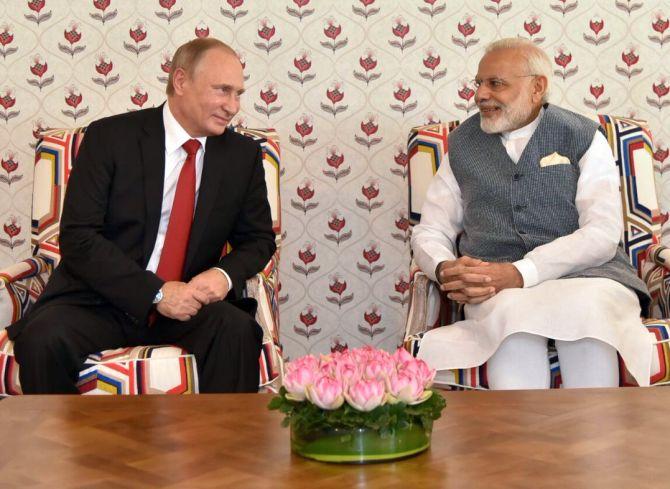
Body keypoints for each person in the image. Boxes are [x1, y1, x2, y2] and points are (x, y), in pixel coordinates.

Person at [7, 38, 276, 394]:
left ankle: (217, 449)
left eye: (238, 93)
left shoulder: (241, 156)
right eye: (223, 90)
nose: (232, 106)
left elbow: (258, 240)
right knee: (43, 339)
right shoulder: (110, 138)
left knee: (236, 331)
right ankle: (68, 450)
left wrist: (223, 275)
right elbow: (79, 237)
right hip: (101, 298)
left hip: (189, 302)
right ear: (181, 81)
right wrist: (156, 293)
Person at [411, 38, 652, 389]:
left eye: (496, 83)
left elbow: (602, 232)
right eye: (478, 83)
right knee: (513, 326)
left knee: (587, 315)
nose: (480, 95)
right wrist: (446, 268)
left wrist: (521, 272)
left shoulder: (582, 135)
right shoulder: (462, 144)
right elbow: (430, 231)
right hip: (496, 289)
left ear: (537, 87)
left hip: (590, 277)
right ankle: (520, 442)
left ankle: (595, 438)